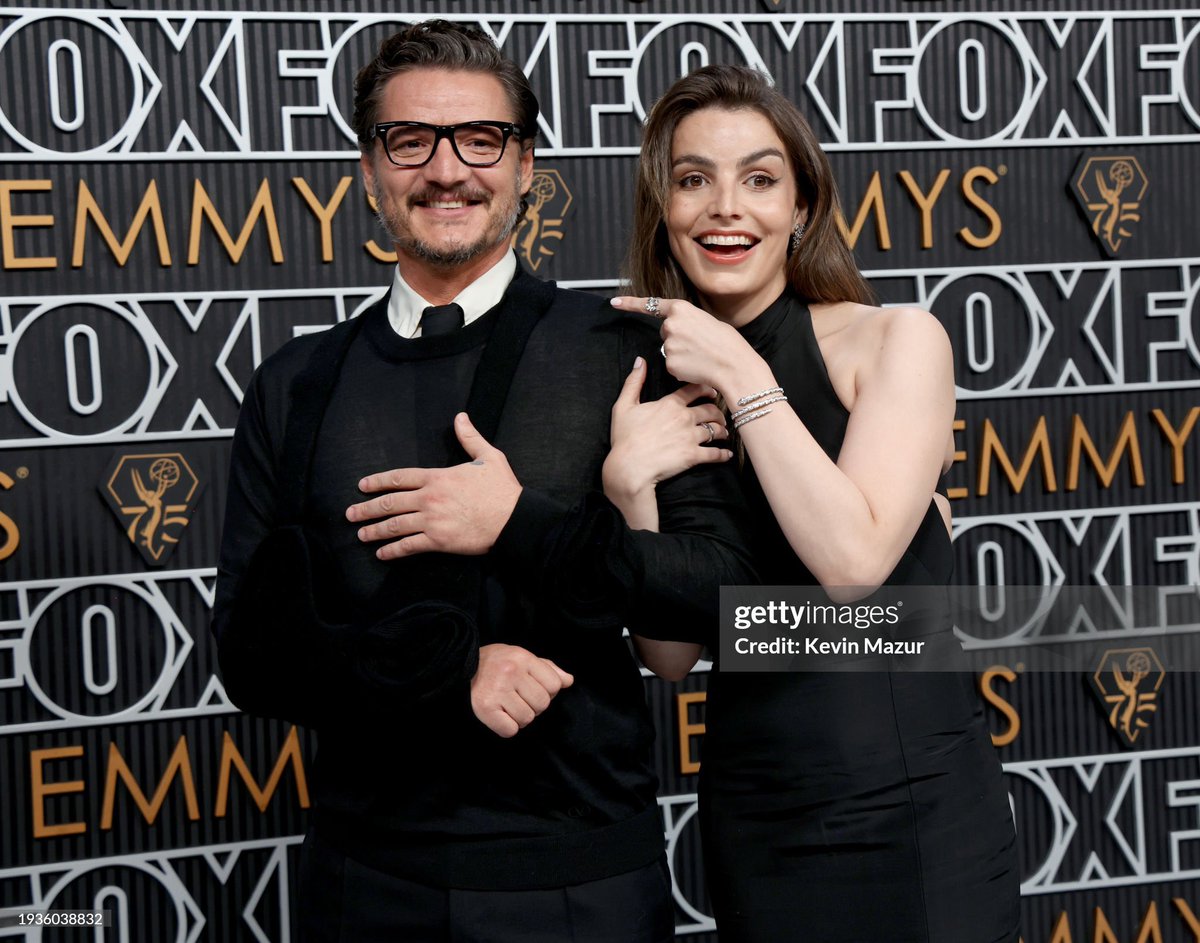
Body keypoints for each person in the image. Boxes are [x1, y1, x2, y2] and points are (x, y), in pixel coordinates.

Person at [211, 22, 753, 943]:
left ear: (526, 164)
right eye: (409, 141)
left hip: (579, 885)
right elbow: (251, 652)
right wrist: (448, 674)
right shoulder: (294, 382)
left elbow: (722, 597)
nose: (446, 170)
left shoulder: (624, 350)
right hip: (360, 884)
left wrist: (518, 522)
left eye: (480, 139)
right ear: (369, 170)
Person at [603, 65, 1021, 943]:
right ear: (663, 209)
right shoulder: (654, 384)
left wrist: (744, 374)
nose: (726, 207)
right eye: (693, 179)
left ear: (800, 207)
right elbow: (672, 656)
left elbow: (853, 566)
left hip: (916, 815)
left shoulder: (896, 339)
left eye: (759, 179)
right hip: (757, 819)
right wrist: (628, 486)